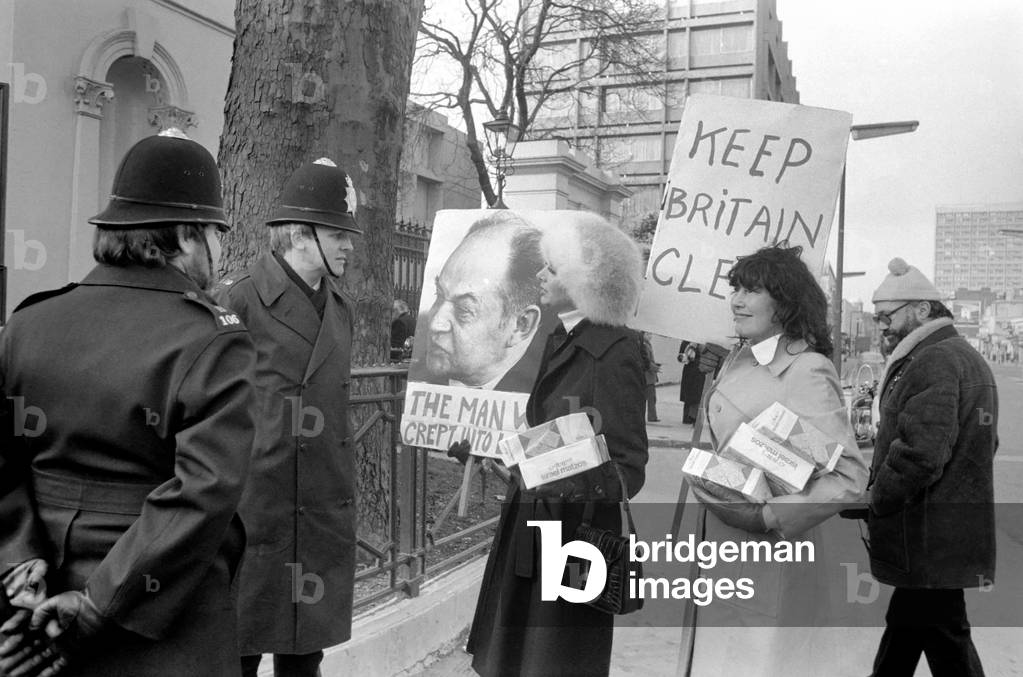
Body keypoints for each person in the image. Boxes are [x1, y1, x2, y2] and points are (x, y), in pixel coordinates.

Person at [0, 129, 256, 676]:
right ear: (187, 236)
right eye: (216, 232)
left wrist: (20, 562)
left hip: (31, 617)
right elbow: (203, 493)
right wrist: (96, 606)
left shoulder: (28, 323)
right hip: (163, 625)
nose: (220, 248)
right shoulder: (212, 339)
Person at [466, 212, 649, 677]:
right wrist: (523, 461)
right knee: (517, 658)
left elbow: (627, 464)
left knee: (558, 661)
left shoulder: (614, 349)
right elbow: (552, 429)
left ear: (586, 277)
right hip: (534, 521)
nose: (542, 275)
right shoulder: (563, 334)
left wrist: (557, 472)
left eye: (553, 267)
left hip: (575, 539)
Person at [684, 244, 867, 676]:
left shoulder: (805, 370)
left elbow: (848, 476)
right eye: (736, 290)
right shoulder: (738, 360)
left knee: (760, 660)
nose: (737, 301)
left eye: (752, 291)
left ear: (784, 302)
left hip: (771, 554)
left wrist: (768, 516)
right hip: (721, 545)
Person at [212, 158, 360, 677]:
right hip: (255, 519)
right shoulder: (237, 300)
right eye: (338, 234)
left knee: (304, 660)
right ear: (300, 234)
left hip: (318, 515)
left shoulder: (341, 308)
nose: (348, 246)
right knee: (239, 655)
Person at [866, 258, 996, 677]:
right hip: (943, 536)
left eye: (887, 316)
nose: (881, 326)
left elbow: (920, 454)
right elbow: (984, 443)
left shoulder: (933, 360)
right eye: (876, 317)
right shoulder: (961, 356)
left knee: (944, 641)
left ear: (922, 310)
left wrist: (876, 498)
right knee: (909, 630)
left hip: (927, 538)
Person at [419, 212, 546, 392]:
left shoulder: (554, 392)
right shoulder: (421, 379)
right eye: (439, 295)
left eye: (464, 309)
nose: (435, 324)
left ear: (521, 325)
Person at [676, 341, 709, 425]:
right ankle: (688, 417)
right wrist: (689, 349)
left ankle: (694, 417)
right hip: (690, 371)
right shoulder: (686, 343)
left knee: (697, 395)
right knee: (689, 395)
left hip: (699, 371)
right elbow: (680, 357)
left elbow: (706, 354)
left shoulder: (703, 343)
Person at [640, 332, 661, 421]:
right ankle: (652, 417)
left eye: (651, 334)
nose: (650, 336)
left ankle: (651, 416)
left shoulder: (648, 344)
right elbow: (646, 361)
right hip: (648, 376)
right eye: (648, 334)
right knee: (651, 398)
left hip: (650, 375)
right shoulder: (644, 345)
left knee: (651, 398)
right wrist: (656, 368)